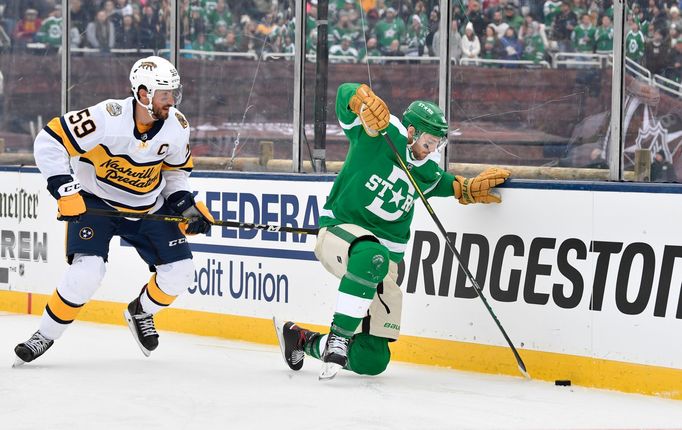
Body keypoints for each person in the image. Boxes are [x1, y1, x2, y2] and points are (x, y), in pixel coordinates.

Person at [274, 83, 510, 380]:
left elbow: (447, 184)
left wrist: (466, 189)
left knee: (372, 359)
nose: (432, 150)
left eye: (439, 144)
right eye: (427, 141)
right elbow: (344, 95)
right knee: (372, 253)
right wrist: (360, 102)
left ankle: (303, 341)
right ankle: (339, 335)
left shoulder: (428, 171)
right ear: (410, 132)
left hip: (383, 263)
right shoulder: (378, 134)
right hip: (340, 233)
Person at [13, 56, 214, 366]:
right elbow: (49, 140)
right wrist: (65, 189)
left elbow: (175, 174)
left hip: (148, 207)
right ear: (143, 93)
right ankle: (45, 335)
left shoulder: (177, 126)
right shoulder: (107, 117)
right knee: (87, 274)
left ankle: (141, 311)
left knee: (181, 273)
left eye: (174, 92)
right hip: (96, 202)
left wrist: (186, 206)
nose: (171, 101)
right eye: (164, 94)